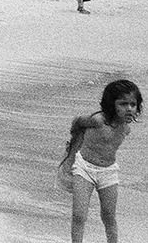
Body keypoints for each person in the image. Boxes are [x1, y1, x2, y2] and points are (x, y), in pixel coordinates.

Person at [60, 80, 142, 243]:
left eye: (133, 104)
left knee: (108, 216)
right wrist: (72, 149)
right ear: (111, 104)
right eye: (123, 104)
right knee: (79, 215)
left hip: (109, 172)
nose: (129, 108)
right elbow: (77, 121)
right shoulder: (97, 120)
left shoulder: (126, 128)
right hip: (84, 168)